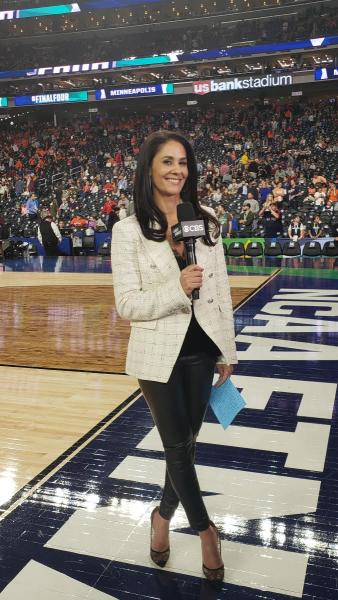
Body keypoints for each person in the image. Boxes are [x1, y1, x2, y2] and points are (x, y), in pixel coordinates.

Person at [111, 131, 237, 584]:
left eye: (183, 162)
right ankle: (206, 532)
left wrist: (228, 349)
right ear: (149, 168)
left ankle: (161, 518)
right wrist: (176, 287)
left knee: (185, 446)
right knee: (177, 447)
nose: (176, 170)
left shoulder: (205, 219)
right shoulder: (126, 231)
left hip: (202, 349)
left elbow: (219, 290)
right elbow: (127, 304)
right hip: (157, 354)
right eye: (167, 161)